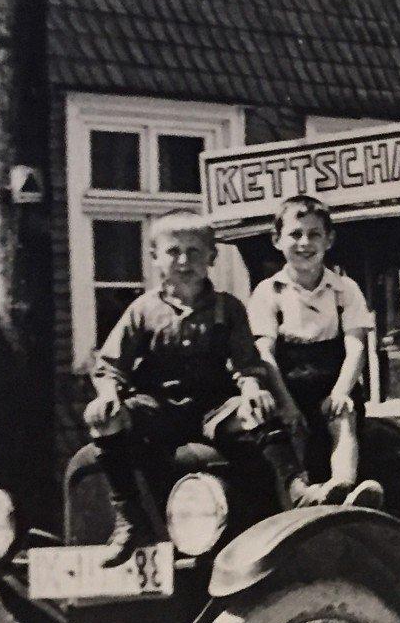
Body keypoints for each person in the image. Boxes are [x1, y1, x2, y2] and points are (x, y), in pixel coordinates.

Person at [83, 210, 310, 561]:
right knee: (104, 419)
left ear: (212, 257)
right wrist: (109, 396)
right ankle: (129, 519)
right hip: (158, 408)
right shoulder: (143, 310)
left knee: (259, 411)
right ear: (155, 257)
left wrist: (251, 389)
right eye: (173, 251)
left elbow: (246, 363)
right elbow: (111, 366)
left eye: (194, 251)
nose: (184, 261)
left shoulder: (228, 308)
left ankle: (296, 489)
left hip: (213, 407)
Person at [248, 194, 383, 508]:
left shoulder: (345, 289)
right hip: (288, 383)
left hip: (331, 380)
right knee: (289, 432)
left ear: (329, 239)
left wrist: (341, 391)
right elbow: (265, 354)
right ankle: (299, 501)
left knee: (344, 417)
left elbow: (356, 346)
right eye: (295, 234)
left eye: (314, 234)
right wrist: (286, 403)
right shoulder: (269, 292)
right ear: (277, 240)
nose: (304, 243)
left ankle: (344, 486)